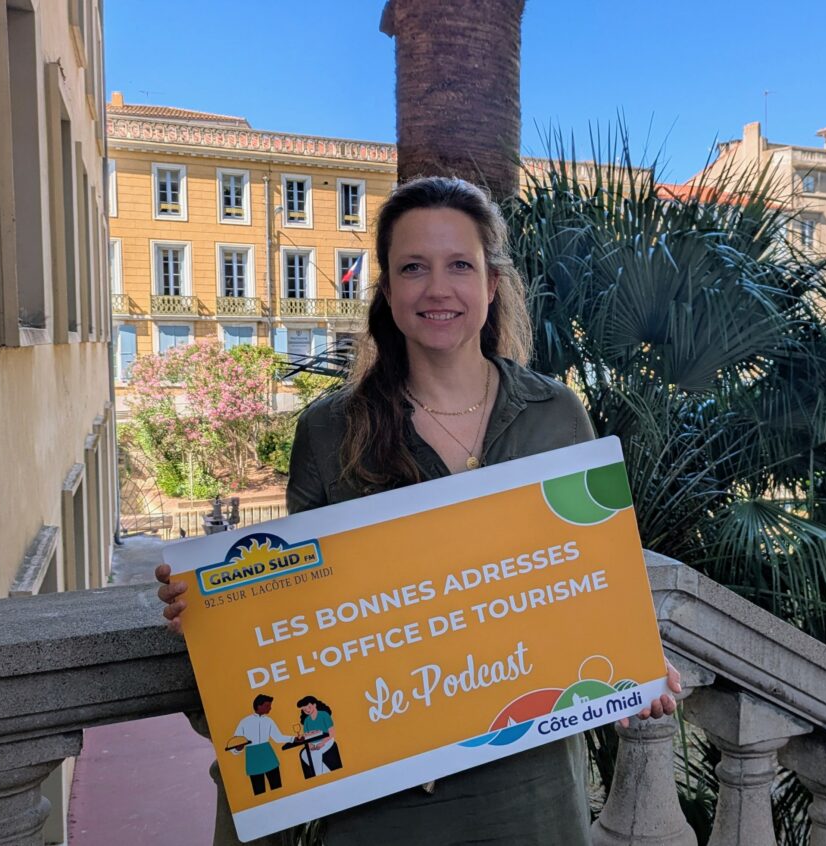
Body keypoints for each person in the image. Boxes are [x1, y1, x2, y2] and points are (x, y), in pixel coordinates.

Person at [157, 175, 681, 845]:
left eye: (459, 265)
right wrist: (216, 606)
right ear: (388, 290)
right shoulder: (329, 431)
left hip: (530, 795)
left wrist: (632, 655)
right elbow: (296, 612)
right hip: (380, 800)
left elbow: (586, 574)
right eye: (413, 268)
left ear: (492, 284)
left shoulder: (558, 416)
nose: (438, 288)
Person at [230, 695, 293, 796]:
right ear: (259, 706)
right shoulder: (244, 722)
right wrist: (237, 749)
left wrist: (293, 738)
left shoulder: (269, 721)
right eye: (267, 706)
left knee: (277, 789)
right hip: (253, 759)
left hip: (268, 756)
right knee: (259, 792)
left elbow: (277, 737)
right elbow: (234, 744)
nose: (270, 708)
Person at [294, 696, 341, 778]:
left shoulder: (324, 715)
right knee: (304, 754)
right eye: (304, 709)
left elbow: (332, 733)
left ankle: (319, 777)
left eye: (309, 707)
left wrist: (322, 743)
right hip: (313, 742)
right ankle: (326, 772)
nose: (307, 710)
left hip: (327, 740)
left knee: (316, 753)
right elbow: (307, 736)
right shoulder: (307, 721)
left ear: (314, 705)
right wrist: (310, 745)